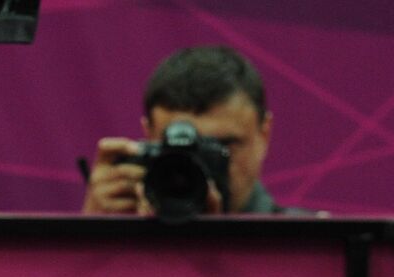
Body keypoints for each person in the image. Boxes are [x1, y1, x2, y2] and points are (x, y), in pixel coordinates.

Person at [82, 45, 288, 216]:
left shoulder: (302, 245)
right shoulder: (121, 244)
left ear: (264, 135)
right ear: (149, 137)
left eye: (222, 146)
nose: (200, 166)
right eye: (182, 149)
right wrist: (94, 235)